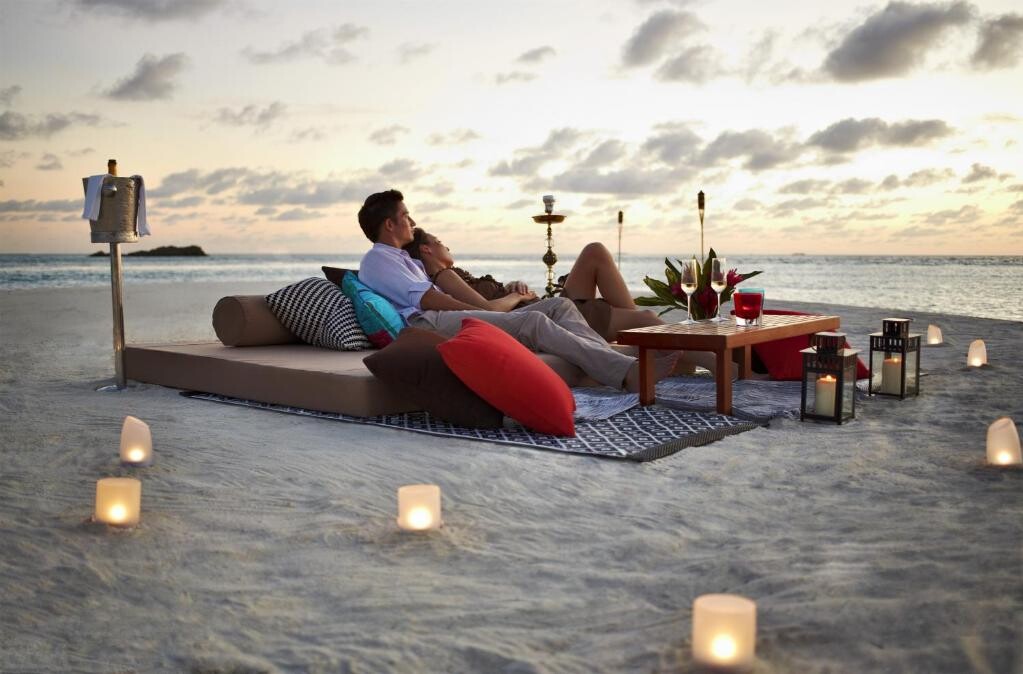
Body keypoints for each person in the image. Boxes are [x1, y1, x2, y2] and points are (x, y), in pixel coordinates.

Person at [355, 189, 679, 393]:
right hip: (427, 322)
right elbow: (428, 299)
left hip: (437, 315)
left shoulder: (402, 259)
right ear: (389, 225)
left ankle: (613, 366)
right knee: (533, 322)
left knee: (559, 306)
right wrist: (481, 312)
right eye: (405, 216)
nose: (411, 220)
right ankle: (626, 373)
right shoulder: (377, 260)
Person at [402, 227, 726, 375]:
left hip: (547, 306)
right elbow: (487, 310)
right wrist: (517, 296)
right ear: (427, 250)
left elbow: (490, 299)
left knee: (595, 252)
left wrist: (511, 287)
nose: (446, 246)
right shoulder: (444, 276)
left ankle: (695, 359)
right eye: (439, 241)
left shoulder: (456, 274)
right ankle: (718, 363)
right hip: (545, 316)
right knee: (647, 320)